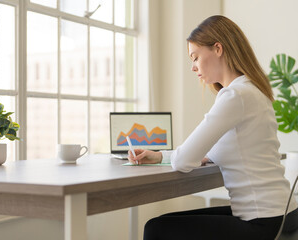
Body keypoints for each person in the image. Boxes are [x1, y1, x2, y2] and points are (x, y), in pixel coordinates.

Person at [128, 15, 298, 240]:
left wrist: (171, 157)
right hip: (283, 214)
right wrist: (159, 155)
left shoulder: (235, 95)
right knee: (161, 224)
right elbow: (210, 154)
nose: (193, 67)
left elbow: (183, 161)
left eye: (195, 57)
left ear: (218, 48)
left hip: (263, 223)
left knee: (156, 229)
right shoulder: (252, 90)